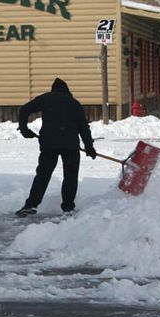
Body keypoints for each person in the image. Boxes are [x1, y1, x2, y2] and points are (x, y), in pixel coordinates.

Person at [16, 77, 96, 217]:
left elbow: (25, 109)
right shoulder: (74, 103)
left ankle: (31, 205)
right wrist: (89, 146)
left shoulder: (46, 99)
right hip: (70, 145)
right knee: (70, 176)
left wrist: (24, 129)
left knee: (43, 175)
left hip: (49, 144)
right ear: (67, 91)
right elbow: (83, 127)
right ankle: (68, 207)